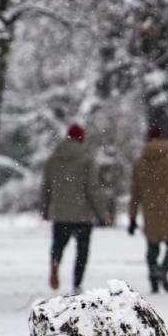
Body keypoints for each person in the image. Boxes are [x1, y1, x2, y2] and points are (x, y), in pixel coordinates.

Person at [41, 123, 112, 293]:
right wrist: (103, 214)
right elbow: (92, 188)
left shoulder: (53, 158)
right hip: (82, 213)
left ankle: (55, 262)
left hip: (60, 212)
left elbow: (46, 186)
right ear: (82, 138)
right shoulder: (87, 159)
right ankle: (77, 283)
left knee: (58, 245)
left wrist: (45, 209)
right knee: (82, 251)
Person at [128, 126, 168, 293]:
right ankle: (163, 270)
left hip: (150, 211)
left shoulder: (140, 162)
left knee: (152, 246)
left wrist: (132, 216)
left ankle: (153, 275)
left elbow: (135, 192)